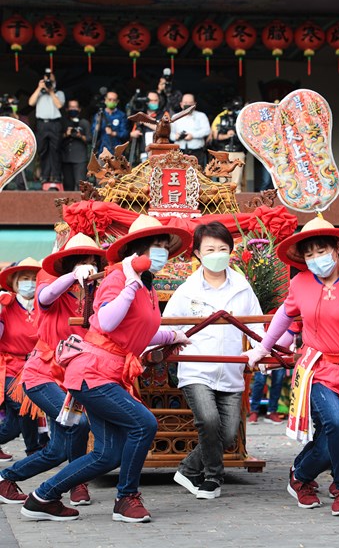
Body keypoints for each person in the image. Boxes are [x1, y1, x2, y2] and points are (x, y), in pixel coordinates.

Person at [21, 215, 192, 523]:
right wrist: (127, 278)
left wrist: (172, 335)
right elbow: (108, 323)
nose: (162, 254)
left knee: (107, 454)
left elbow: (137, 332)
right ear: (138, 251)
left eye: (166, 248)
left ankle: (41, 497)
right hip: (93, 372)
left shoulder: (148, 289)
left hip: (111, 373)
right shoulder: (117, 278)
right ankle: (126, 497)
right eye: (156, 246)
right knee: (144, 424)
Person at [244, 216, 339, 516]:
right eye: (309, 254)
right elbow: (284, 319)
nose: (315, 259)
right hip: (319, 368)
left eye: (321, 251)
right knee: (336, 425)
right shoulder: (299, 282)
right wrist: (261, 349)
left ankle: (300, 474)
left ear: (337, 249)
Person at [0, 233, 105, 507]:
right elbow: (46, 296)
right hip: (41, 375)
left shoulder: (96, 295)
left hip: (75, 377)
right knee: (78, 424)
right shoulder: (51, 287)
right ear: (70, 264)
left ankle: (6, 479)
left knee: (57, 450)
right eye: (82, 261)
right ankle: (76, 483)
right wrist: (73, 276)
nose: (89, 267)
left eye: (93, 261)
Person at [163, 221, 265, 500]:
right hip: (197, 369)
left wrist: (261, 351)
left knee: (229, 435)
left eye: (223, 248)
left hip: (231, 371)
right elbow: (169, 326)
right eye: (210, 249)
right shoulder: (187, 290)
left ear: (231, 251)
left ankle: (187, 469)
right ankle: (212, 478)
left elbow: (257, 328)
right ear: (197, 253)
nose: (217, 253)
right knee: (208, 420)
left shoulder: (243, 288)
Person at [0, 258, 43, 462]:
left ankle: (35, 448)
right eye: (25, 279)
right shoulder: (5, 305)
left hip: (35, 367)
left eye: (35, 278)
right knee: (25, 405)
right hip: (9, 368)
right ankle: (33, 450)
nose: (31, 283)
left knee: (13, 424)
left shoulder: (42, 305)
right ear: (15, 283)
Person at [28, 69, 65, 186]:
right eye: (46, 79)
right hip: (42, 124)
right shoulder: (39, 93)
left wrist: (51, 91)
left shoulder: (59, 93)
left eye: (51, 79)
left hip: (55, 123)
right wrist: (40, 88)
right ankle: (45, 175)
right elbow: (30, 103)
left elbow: (59, 105)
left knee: (55, 150)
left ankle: (56, 176)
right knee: (42, 150)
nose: (48, 81)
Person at [211, 97, 246, 193]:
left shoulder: (243, 117)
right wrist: (227, 135)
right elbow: (215, 136)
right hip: (223, 151)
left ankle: (237, 204)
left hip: (238, 150)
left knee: (236, 183)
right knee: (223, 181)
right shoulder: (220, 117)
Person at [170, 94, 211, 168]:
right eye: (185, 103)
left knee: (197, 174)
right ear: (181, 104)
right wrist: (176, 136)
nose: (188, 105)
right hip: (179, 152)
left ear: (194, 104)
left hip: (197, 152)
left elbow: (207, 130)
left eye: (190, 103)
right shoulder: (175, 117)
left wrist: (193, 135)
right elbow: (170, 134)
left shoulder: (201, 116)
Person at [61, 100, 91, 191]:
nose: (73, 109)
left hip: (80, 159)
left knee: (81, 184)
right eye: (71, 107)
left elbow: (90, 139)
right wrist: (66, 134)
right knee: (67, 184)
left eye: (75, 107)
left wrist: (80, 136)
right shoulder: (63, 122)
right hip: (66, 157)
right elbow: (57, 139)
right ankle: (69, 205)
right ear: (67, 109)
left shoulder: (84, 123)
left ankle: (81, 205)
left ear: (79, 109)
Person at [129, 91, 163, 163]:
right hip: (144, 153)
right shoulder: (140, 115)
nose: (153, 102)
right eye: (151, 100)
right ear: (146, 102)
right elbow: (132, 135)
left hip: (159, 153)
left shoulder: (163, 114)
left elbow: (163, 130)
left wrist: (145, 122)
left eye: (155, 100)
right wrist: (133, 134)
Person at [92, 90, 129, 156]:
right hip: (102, 151)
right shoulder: (99, 115)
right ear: (105, 100)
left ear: (117, 101)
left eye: (114, 100)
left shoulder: (121, 115)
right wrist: (97, 126)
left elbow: (125, 134)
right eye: (109, 99)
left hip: (117, 152)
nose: (111, 101)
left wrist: (113, 133)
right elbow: (93, 134)